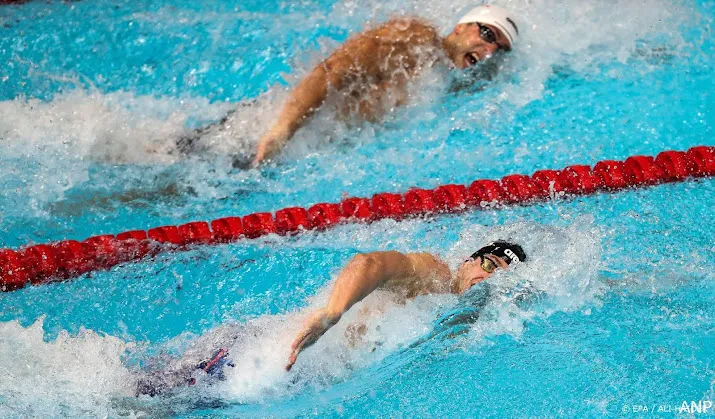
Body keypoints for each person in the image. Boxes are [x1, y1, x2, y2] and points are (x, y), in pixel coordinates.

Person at [134, 239, 526, 396]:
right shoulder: (433, 275)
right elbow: (369, 262)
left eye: (498, 277)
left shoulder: (455, 314)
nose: (485, 279)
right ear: (469, 259)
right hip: (251, 359)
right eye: (488, 264)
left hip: (273, 367)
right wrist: (331, 314)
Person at [253, 5, 519, 165]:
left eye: (500, 50)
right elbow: (333, 70)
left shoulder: (446, 80)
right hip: (267, 135)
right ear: (461, 26)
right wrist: (282, 130)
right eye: (487, 34)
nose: (489, 50)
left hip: (311, 147)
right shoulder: (417, 38)